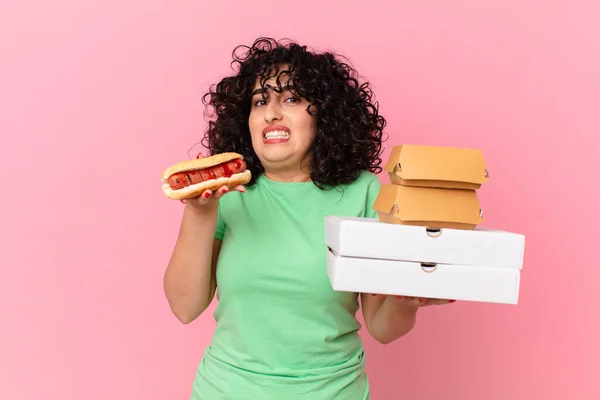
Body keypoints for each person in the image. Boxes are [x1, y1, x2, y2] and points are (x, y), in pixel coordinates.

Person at [163, 37, 453, 400]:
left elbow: (382, 327)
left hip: (333, 392)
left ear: (325, 115)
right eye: (259, 101)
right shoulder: (227, 196)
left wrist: (407, 296)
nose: (271, 113)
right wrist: (199, 210)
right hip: (225, 390)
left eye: (292, 99)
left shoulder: (362, 192)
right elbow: (185, 307)